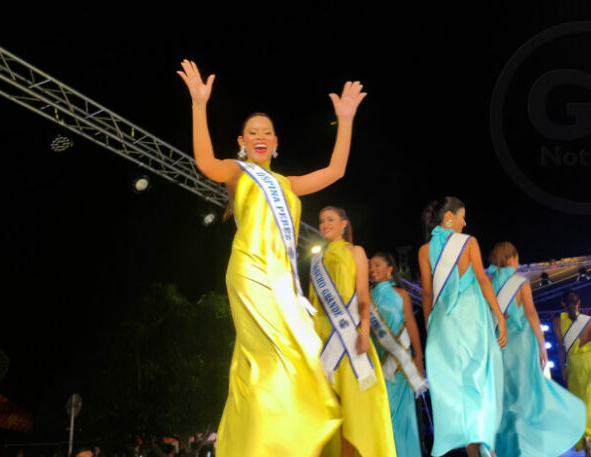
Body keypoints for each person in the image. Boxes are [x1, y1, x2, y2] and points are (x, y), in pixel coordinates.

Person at [176, 60, 367, 456]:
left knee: (302, 355)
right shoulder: (238, 172)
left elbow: (336, 170)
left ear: (276, 142)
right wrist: (199, 105)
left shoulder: (288, 184)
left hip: (283, 278)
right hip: (249, 271)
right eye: (252, 133)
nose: (260, 137)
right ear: (242, 142)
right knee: (266, 356)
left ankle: (273, 441)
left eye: (267, 132)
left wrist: (345, 119)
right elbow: (205, 164)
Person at [418, 197, 507, 457]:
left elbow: (426, 294)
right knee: (478, 381)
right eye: (462, 216)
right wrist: (499, 315)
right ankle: (487, 448)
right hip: (472, 321)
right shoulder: (468, 242)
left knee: (459, 390)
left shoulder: (424, 250)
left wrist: (429, 327)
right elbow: (481, 279)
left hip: (443, 325)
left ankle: (475, 452)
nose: (464, 222)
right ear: (449, 217)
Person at [309, 206, 396, 457]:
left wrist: (365, 328)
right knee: (329, 406)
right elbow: (315, 301)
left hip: (350, 335)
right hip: (323, 336)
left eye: (330, 219)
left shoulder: (356, 251)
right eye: (321, 220)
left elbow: (362, 293)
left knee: (353, 408)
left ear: (344, 223)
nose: (325, 223)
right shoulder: (316, 260)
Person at [488, 242, 586, 457]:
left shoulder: (489, 283)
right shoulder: (520, 282)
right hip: (522, 345)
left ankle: (506, 449)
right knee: (525, 396)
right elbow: (531, 314)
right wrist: (542, 345)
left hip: (499, 345)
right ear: (512, 259)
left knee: (504, 397)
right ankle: (525, 449)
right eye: (517, 258)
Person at [369, 251, 425, 457]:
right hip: (379, 363)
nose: (372, 270)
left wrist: (418, 356)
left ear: (389, 269)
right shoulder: (367, 295)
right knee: (382, 413)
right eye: (371, 266)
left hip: (401, 365)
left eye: (377, 265)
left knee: (402, 416)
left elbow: (410, 324)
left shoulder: (400, 294)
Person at [554, 291, 591, 457]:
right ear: (579, 303)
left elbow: (560, 348)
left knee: (580, 405)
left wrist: (562, 368)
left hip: (574, 366)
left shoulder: (558, 322)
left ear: (563, 304)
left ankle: (584, 439)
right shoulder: (590, 321)